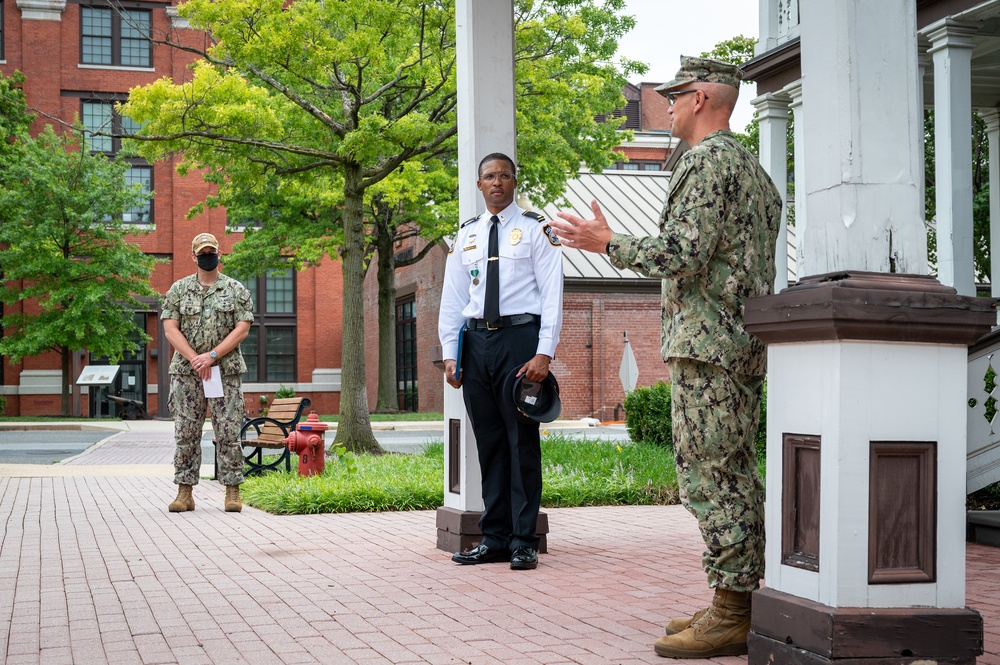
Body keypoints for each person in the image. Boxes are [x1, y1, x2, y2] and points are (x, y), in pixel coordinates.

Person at [548, 56, 782, 658]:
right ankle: (735, 599)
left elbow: (682, 254)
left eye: (676, 96)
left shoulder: (705, 163)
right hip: (738, 343)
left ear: (701, 98)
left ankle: (733, 611)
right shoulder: (753, 170)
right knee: (733, 472)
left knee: (709, 476)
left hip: (708, 347)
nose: (668, 105)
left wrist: (605, 243)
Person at [438, 152, 564, 571]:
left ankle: (523, 540)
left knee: (521, 441)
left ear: (514, 181)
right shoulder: (467, 236)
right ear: (479, 185)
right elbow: (454, 300)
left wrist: (544, 352)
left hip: (519, 342)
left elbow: (552, 294)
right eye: (489, 177)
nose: (497, 183)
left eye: (504, 176)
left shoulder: (534, 230)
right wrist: (450, 354)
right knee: (489, 443)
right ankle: (493, 537)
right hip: (476, 345)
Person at [161, 232, 254, 514]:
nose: (207, 256)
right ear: (194, 256)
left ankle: (232, 492)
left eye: (211, 251)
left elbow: (243, 328)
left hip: (224, 372)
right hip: (187, 374)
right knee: (186, 432)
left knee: (228, 431)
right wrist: (195, 359)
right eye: (202, 252)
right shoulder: (178, 290)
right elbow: (169, 328)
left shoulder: (236, 290)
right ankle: (184, 493)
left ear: (219, 254)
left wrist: (212, 356)